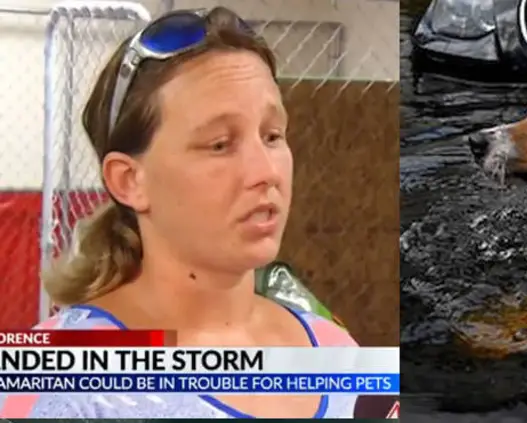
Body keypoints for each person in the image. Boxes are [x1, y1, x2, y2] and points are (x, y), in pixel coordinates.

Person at [0, 7, 358, 419]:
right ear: (129, 180)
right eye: (220, 144)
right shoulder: (53, 376)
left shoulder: (340, 356)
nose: (265, 173)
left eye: (273, 136)